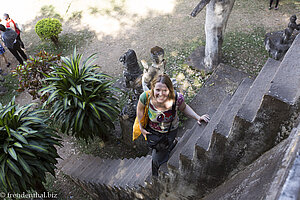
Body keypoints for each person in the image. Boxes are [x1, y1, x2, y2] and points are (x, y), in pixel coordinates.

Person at [136, 74, 210, 176]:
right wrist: (141, 126)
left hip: (170, 131)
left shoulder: (176, 98)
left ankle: (156, 175)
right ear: (152, 88)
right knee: (155, 146)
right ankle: (170, 144)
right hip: (153, 131)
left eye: (165, 90)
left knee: (156, 159)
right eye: (157, 90)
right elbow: (140, 110)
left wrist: (198, 117)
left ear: (170, 90)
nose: (161, 94)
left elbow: (184, 108)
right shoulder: (146, 97)